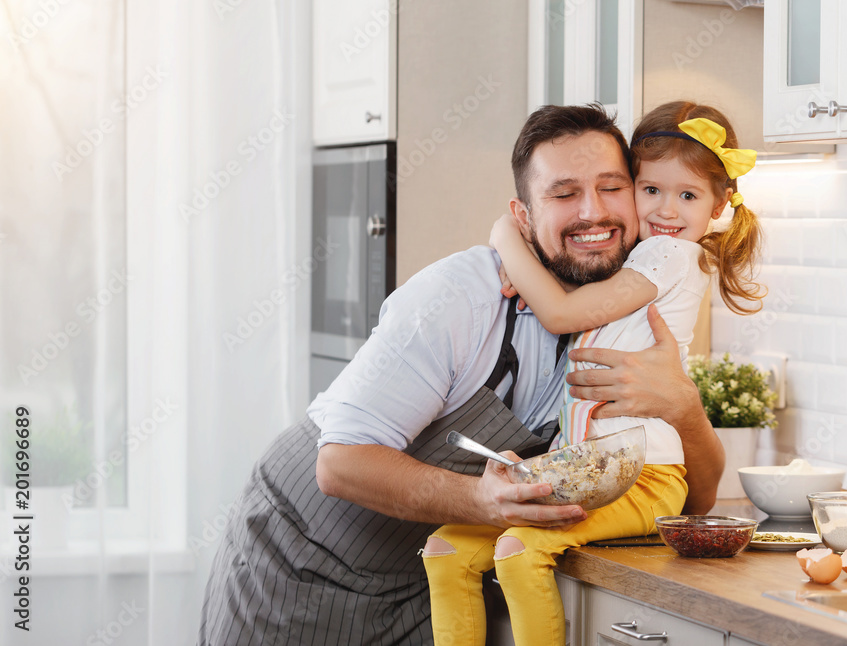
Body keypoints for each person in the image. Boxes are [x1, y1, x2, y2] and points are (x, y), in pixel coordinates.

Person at [198, 103, 724, 646]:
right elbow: (339, 464)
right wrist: (481, 500)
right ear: (522, 217)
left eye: (612, 187)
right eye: (564, 194)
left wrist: (682, 405)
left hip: (421, 580)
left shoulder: (633, 314)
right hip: (298, 567)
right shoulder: (460, 297)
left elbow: (695, 502)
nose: (593, 212)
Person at [421, 100, 765, 646]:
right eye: (650, 190)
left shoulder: (669, 256)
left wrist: (506, 237)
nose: (666, 209)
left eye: (688, 195)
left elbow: (560, 312)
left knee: (517, 552)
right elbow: (570, 293)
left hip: (646, 476)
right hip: (591, 466)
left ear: (721, 202)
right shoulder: (639, 257)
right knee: (446, 548)